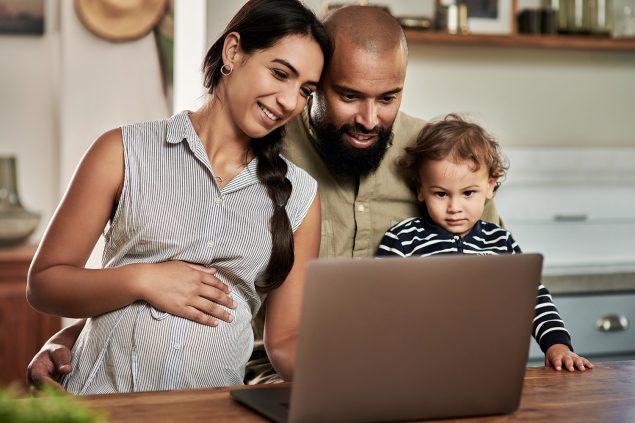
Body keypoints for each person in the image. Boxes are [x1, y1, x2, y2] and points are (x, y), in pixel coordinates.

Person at [25, 0, 330, 394]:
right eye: (279, 73)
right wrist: (143, 278)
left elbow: (286, 340)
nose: (290, 101)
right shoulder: (121, 151)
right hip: (101, 402)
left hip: (210, 414)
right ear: (233, 52)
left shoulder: (301, 196)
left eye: (305, 90)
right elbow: (44, 285)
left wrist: (349, 387)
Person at [377, 113, 593, 372]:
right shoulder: (402, 239)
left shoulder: (500, 241)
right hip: (419, 367)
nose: (454, 207)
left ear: (490, 186)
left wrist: (557, 345)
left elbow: (533, 297)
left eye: (468, 193)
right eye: (441, 194)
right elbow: (379, 305)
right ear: (420, 189)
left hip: (491, 366)